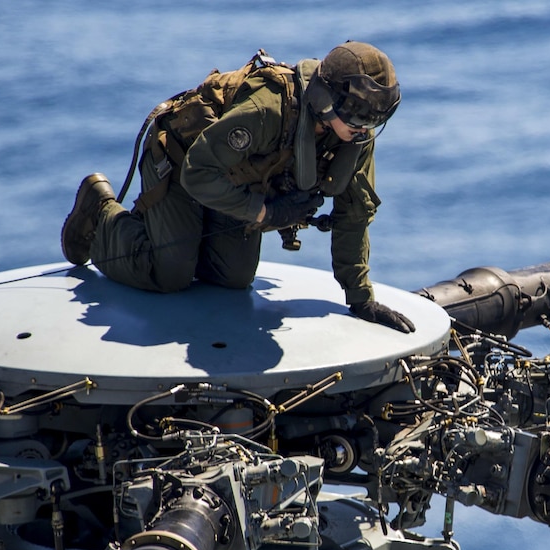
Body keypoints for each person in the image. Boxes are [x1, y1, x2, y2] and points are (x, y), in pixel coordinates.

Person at [60, 41, 415, 333]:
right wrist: (265, 212)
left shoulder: (354, 136)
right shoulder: (269, 111)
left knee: (233, 277)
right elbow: (198, 170)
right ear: (325, 100)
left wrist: (360, 297)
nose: (366, 127)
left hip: (233, 179)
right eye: (358, 115)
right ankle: (101, 211)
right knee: (169, 274)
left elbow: (355, 211)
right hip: (182, 162)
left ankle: (176, 233)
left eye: (376, 118)